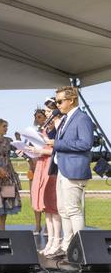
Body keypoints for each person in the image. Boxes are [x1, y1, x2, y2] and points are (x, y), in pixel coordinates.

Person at [47, 86, 94, 257]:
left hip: (74, 170)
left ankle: (81, 248)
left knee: (73, 210)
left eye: (59, 101)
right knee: (63, 210)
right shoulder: (66, 118)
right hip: (62, 169)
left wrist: (56, 144)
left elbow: (86, 144)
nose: (57, 104)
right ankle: (67, 246)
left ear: (71, 100)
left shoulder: (82, 119)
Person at [28, 100, 62, 256]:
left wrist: (40, 150)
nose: (47, 114)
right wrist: (30, 150)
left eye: (49, 111)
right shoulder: (46, 128)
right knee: (46, 206)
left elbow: (57, 150)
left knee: (53, 205)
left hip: (52, 166)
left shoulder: (58, 128)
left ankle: (57, 240)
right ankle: (50, 241)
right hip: (42, 165)